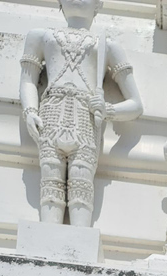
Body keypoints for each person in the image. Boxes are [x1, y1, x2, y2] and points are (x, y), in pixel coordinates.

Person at [19, 0, 143, 227]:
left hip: (86, 119)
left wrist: (108, 110)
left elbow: (136, 104)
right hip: (51, 115)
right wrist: (30, 111)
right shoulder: (41, 37)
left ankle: (80, 243)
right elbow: (28, 81)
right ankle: (47, 239)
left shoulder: (108, 46)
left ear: (99, 5)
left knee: (81, 186)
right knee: (50, 182)